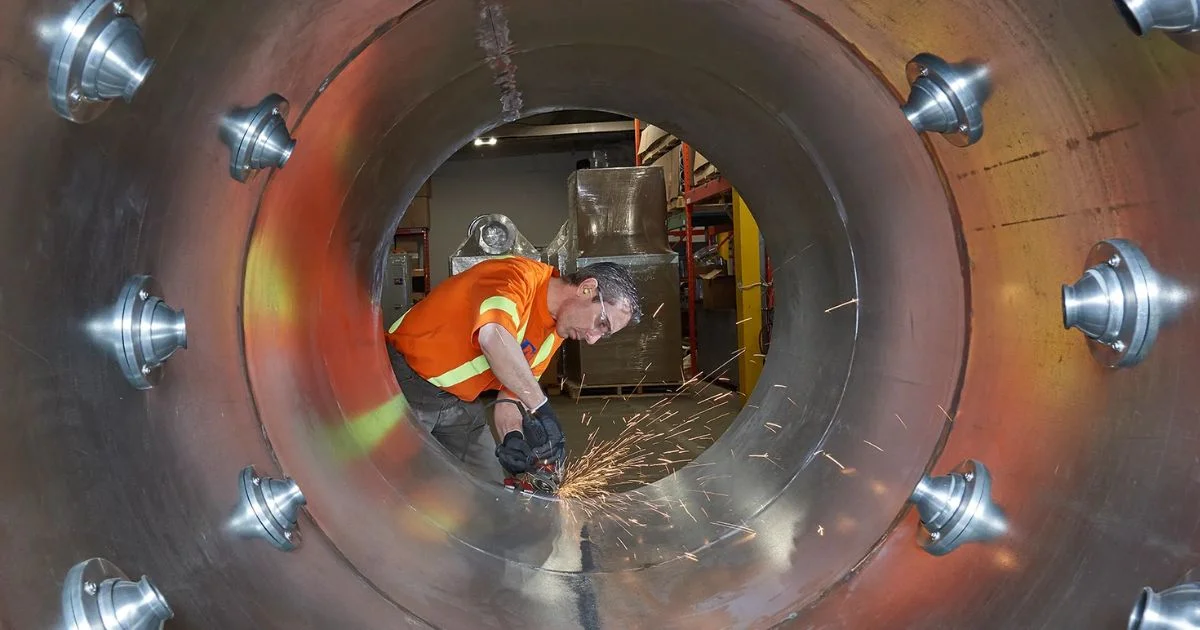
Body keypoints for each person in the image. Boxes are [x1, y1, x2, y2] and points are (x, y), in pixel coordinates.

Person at [385, 257, 642, 483]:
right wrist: (543, 409)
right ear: (587, 289)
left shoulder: (555, 332)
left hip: (459, 402)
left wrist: (513, 438)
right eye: (602, 323)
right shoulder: (515, 277)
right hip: (404, 381)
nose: (593, 339)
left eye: (604, 335)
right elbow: (493, 337)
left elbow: (510, 397)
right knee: (391, 482)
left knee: (491, 489)